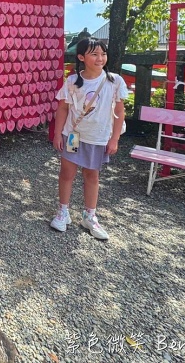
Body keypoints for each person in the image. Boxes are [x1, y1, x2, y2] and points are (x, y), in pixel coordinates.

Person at [50, 38, 127, 240]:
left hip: (98, 137)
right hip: (74, 135)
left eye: (103, 54)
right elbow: (63, 108)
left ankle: (90, 216)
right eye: (94, 54)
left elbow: (120, 110)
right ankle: (63, 211)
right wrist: (58, 134)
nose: (100, 58)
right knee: (67, 172)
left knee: (92, 175)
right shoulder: (73, 81)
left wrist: (115, 139)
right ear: (81, 57)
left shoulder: (114, 81)